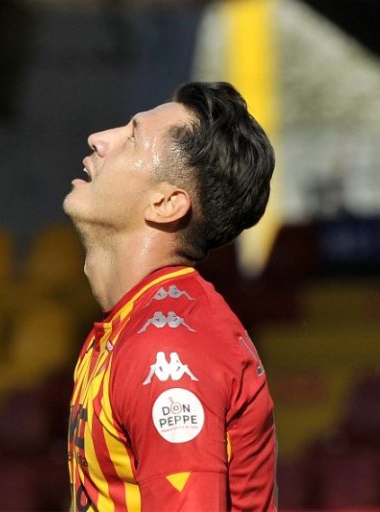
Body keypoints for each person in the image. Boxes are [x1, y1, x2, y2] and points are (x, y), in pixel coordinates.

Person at [63, 81, 277, 511]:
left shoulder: (166, 349)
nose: (100, 139)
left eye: (133, 137)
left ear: (166, 204)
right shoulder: (129, 326)